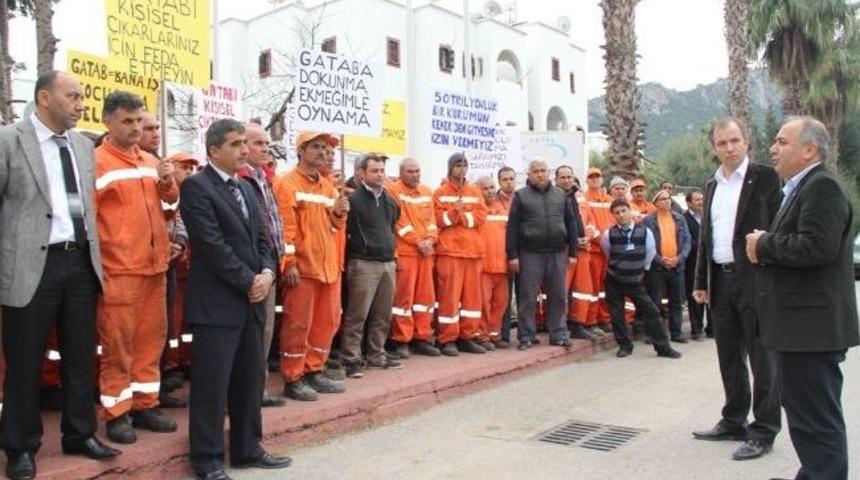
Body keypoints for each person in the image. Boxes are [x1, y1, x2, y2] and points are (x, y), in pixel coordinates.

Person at [0, 71, 120, 480]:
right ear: (44, 97)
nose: (81, 104)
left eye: (82, 97)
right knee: (24, 359)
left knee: (80, 356)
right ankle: (19, 447)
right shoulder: (9, 141)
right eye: (73, 96)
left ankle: (80, 432)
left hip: (80, 263)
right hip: (32, 265)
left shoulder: (84, 146)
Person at [746, 116, 860, 480]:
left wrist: (762, 244)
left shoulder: (822, 187)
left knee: (816, 420)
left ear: (809, 149)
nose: (773, 148)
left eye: (782, 142)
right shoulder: (802, 187)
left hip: (811, 331)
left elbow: (816, 247)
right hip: (802, 329)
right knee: (805, 414)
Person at [181, 119, 292, 480]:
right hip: (218, 304)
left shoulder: (245, 188)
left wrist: (267, 273)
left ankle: (247, 448)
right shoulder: (198, 188)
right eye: (236, 144)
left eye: (246, 142)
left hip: (251, 299)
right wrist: (250, 281)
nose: (244, 150)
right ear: (214, 150)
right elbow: (211, 246)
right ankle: (208, 459)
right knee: (213, 385)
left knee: (249, 378)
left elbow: (263, 240)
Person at [692, 117, 782, 461]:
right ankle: (733, 420)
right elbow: (706, 238)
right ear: (714, 147)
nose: (729, 148)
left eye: (734, 141)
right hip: (721, 279)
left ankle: (764, 430)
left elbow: (776, 229)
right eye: (722, 143)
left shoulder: (765, 178)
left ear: (746, 142)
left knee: (763, 359)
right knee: (728, 355)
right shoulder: (712, 185)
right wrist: (701, 282)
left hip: (756, 281)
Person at [94, 91, 179, 444]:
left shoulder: (150, 160)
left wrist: (168, 184)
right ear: (108, 121)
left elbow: (171, 209)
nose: (135, 128)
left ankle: (146, 403)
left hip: (154, 268)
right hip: (119, 270)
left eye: (138, 121)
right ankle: (117, 412)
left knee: (150, 340)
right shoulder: (96, 162)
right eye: (127, 121)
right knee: (118, 344)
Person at [274, 131, 349, 401]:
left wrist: (339, 215)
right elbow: (285, 228)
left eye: (325, 148)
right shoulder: (287, 183)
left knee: (326, 322)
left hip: (327, 268)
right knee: (298, 324)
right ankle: (293, 377)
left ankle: (314, 370)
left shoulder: (328, 187)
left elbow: (332, 227)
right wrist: (290, 263)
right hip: (303, 269)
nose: (323, 152)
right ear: (301, 151)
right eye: (316, 147)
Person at [506, 160, 580, 350]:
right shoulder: (521, 196)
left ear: (549, 173)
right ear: (529, 175)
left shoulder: (560, 195)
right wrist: (512, 255)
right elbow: (512, 228)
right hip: (530, 253)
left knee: (558, 296)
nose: (540, 174)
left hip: (556, 253)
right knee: (528, 297)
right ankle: (527, 336)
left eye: (543, 171)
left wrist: (572, 252)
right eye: (535, 171)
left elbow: (571, 224)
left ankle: (559, 334)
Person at [237, 123, 286, 408]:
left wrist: (277, 262)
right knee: (250, 335)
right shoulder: (241, 179)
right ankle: (245, 394)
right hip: (251, 271)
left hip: (269, 267)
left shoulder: (264, 178)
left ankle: (258, 389)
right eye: (258, 144)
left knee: (264, 333)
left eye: (267, 144)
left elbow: (273, 225)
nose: (265, 149)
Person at [339, 154, 402, 378]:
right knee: (357, 314)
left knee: (382, 314)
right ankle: (351, 358)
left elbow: (393, 223)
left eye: (382, 170)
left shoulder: (390, 200)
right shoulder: (354, 200)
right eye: (374, 170)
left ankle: (377, 353)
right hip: (363, 263)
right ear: (362, 173)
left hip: (387, 263)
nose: (380, 175)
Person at [600, 199, 681, 360]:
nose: (621, 215)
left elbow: (650, 254)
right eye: (617, 212)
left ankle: (663, 348)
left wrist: (638, 270)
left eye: (623, 211)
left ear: (630, 211)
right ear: (613, 215)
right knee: (617, 315)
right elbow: (608, 253)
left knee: (651, 312)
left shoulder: (645, 232)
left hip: (636, 281)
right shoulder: (608, 234)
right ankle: (625, 345)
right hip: (614, 280)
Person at [432, 153, 487, 356]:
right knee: (449, 298)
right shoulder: (439, 193)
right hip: (450, 252)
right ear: (450, 168)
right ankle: (447, 339)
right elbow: (439, 220)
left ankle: (468, 336)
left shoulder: (474, 191)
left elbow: (480, 217)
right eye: (457, 165)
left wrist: (460, 216)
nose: (461, 168)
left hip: (473, 253)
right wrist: (453, 213)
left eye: (464, 164)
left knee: (472, 300)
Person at [387, 158, 441, 358]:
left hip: (425, 253)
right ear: (401, 172)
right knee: (404, 299)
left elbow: (432, 221)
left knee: (425, 298)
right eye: (410, 171)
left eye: (417, 171)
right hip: (407, 252)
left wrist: (431, 240)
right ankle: (402, 339)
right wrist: (419, 241)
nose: (415, 175)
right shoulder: (394, 190)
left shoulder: (426, 192)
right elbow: (399, 222)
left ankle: (422, 337)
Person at [554, 167, 599, 341]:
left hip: (583, 250)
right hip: (564, 251)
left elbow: (590, 221)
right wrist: (570, 240)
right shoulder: (553, 197)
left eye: (569, 177)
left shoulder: (581, 197)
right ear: (556, 179)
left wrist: (587, 236)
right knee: (560, 289)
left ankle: (578, 324)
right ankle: (559, 325)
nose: (566, 180)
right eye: (562, 177)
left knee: (583, 289)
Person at [643, 189, 691, 343]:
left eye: (668, 198)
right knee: (654, 302)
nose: (667, 201)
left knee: (676, 302)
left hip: (677, 267)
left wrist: (679, 258)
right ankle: (654, 334)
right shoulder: (648, 220)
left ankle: (676, 333)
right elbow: (645, 244)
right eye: (663, 199)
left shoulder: (679, 219)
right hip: (657, 268)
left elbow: (687, 241)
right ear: (656, 203)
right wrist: (659, 259)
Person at [476, 176, 509, 350]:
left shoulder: (503, 210)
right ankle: (482, 335)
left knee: (501, 302)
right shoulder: (476, 210)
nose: (489, 191)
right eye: (485, 188)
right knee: (483, 303)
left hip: (502, 267)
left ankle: (494, 334)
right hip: (483, 267)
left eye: (491, 188)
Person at [583, 168, 614, 330]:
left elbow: (616, 221)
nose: (594, 179)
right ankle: (591, 320)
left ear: (602, 179)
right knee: (593, 287)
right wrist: (601, 240)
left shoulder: (610, 200)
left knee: (605, 287)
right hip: (595, 251)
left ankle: (605, 317)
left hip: (609, 251)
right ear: (587, 180)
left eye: (597, 176)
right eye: (591, 177)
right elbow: (588, 224)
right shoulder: (584, 199)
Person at [496, 166, 517, 345]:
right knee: (504, 297)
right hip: (502, 256)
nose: (509, 182)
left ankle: (526, 334)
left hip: (524, 255)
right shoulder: (493, 202)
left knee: (526, 296)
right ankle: (503, 334)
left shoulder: (522, 199)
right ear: (499, 182)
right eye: (505, 179)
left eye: (511, 178)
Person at [682, 190, 706, 340]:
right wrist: (704, 248)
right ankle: (696, 329)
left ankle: (712, 329)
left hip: (709, 262)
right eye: (697, 200)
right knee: (695, 296)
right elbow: (687, 239)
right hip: (693, 263)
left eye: (701, 199)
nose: (700, 202)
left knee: (710, 296)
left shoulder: (707, 217)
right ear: (689, 203)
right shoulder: (684, 219)